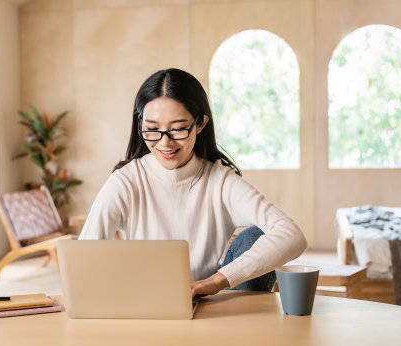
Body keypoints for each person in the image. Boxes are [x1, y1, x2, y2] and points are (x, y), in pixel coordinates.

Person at [78, 68, 307, 298]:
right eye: (152, 129)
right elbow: (85, 257)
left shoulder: (220, 180)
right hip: (145, 299)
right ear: (141, 124)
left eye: (177, 129)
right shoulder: (126, 181)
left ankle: (239, 325)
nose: (165, 143)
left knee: (253, 237)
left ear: (200, 123)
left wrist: (215, 282)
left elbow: (292, 235)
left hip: (208, 300)